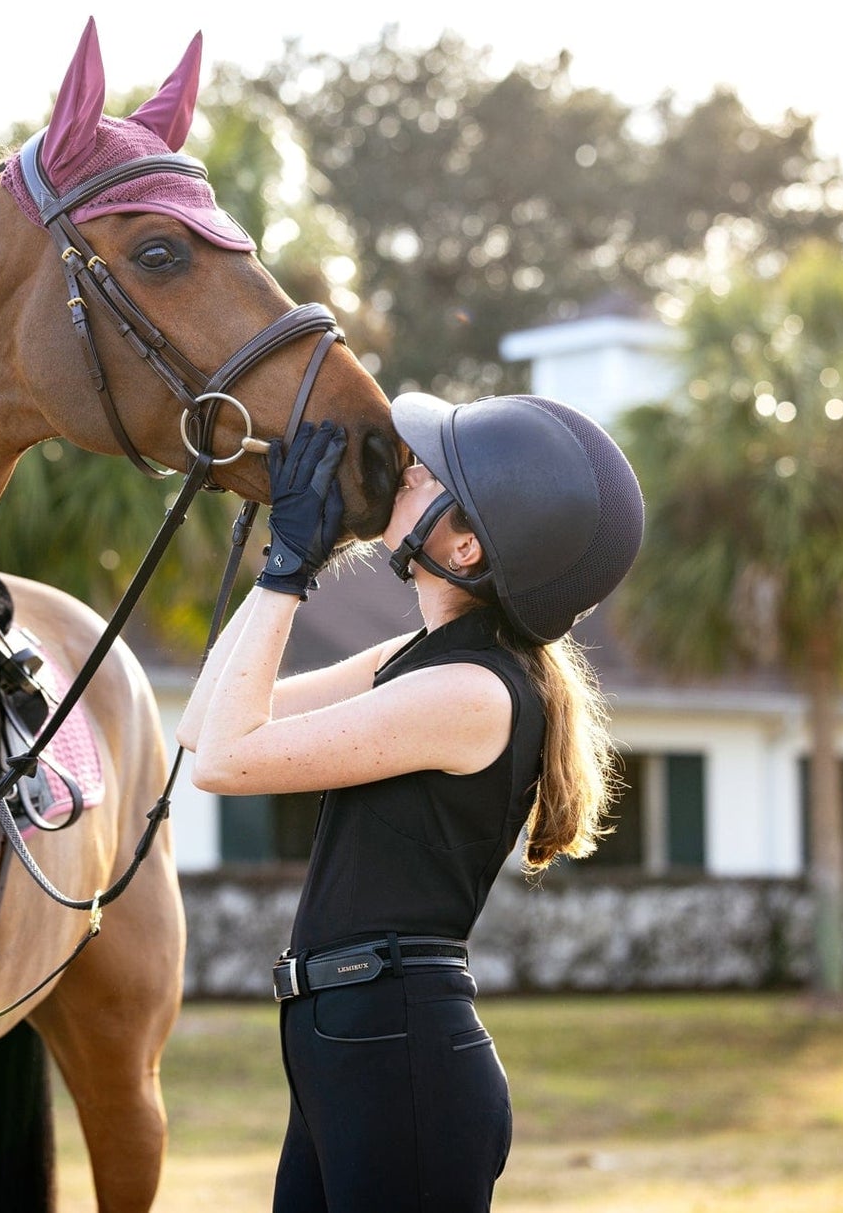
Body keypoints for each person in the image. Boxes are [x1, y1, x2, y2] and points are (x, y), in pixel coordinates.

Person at [178, 392, 646, 1212]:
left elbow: (224, 761)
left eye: (429, 474)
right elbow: (200, 725)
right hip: (346, 1037)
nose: (408, 470)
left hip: (396, 1049)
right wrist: (284, 565)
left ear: (465, 545)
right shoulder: (422, 658)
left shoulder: (471, 692)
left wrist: (291, 569)